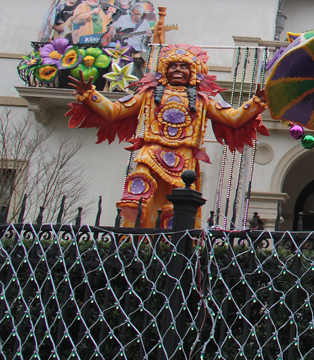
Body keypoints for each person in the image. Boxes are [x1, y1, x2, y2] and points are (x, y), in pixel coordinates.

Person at [67, 44, 270, 228]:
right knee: (136, 195)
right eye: (173, 66)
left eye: (183, 66)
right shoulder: (148, 95)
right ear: (164, 71)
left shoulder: (203, 100)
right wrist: (90, 95)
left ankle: (168, 251)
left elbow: (233, 119)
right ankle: (130, 241)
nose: (178, 69)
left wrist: (256, 103)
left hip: (184, 160)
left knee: (176, 211)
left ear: (192, 72)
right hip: (150, 153)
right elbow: (114, 112)